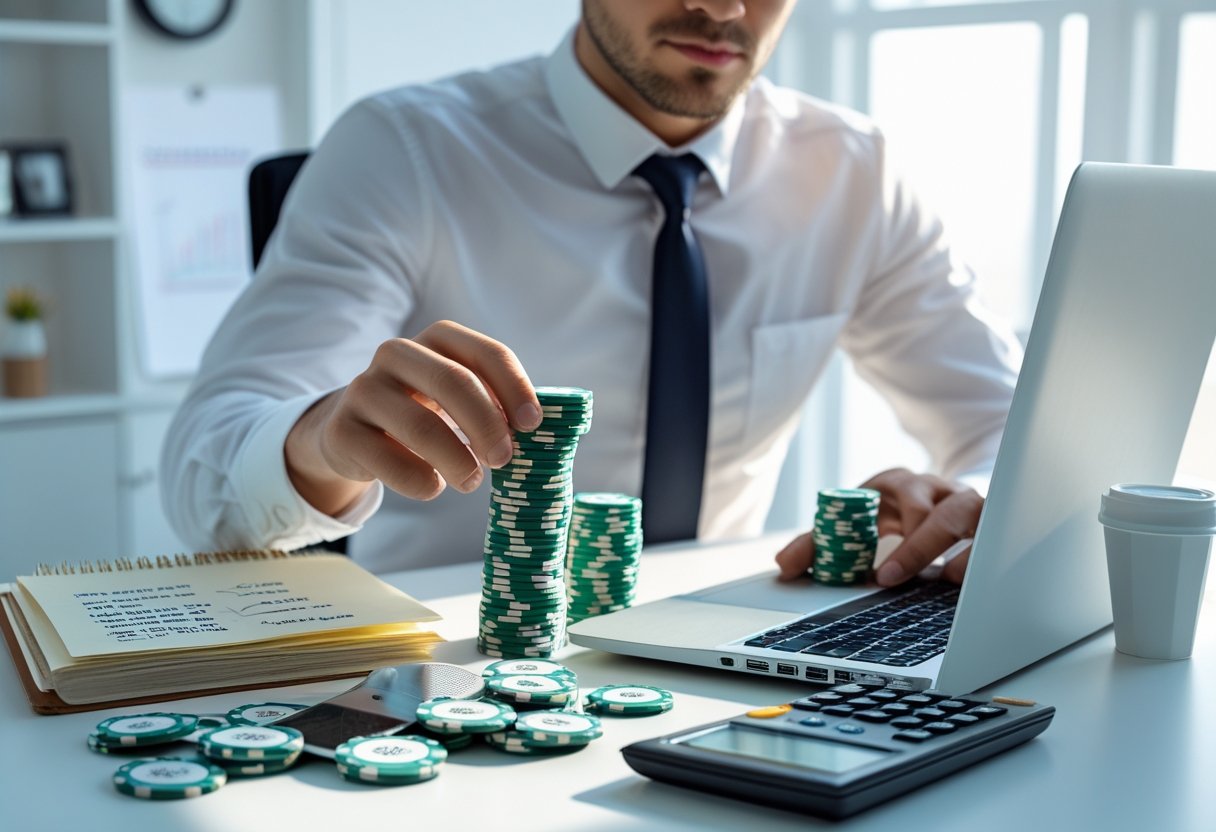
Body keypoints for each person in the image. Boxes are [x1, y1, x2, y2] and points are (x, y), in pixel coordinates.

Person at [162, 0, 1022, 584]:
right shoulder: (401, 151)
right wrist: (321, 442)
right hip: (450, 655)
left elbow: (1009, 426)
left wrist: (967, 504)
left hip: (727, 656)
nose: (724, 9)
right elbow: (204, 472)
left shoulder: (853, 172)